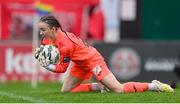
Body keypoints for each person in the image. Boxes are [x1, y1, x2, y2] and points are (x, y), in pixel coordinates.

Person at [34, 15, 174, 93]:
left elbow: (62, 68)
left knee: (118, 90)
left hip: (92, 60)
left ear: (53, 29)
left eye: (43, 29)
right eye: (40, 29)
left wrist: (47, 66)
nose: (41, 33)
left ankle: (154, 86)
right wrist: (40, 53)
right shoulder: (48, 38)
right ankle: (101, 86)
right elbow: (47, 47)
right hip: (80, 63)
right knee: (66, 92)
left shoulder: (65, 44)